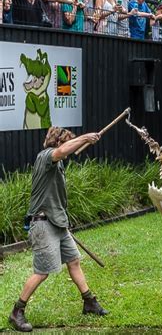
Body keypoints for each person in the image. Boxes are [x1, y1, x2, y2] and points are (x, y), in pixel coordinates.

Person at [8, 127, 108, 332]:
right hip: (43, 224)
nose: (70, 146)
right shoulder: (46, 157)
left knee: (74, 261)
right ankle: (17, 311)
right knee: (42, 272)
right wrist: (85, 137)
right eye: (68, 141)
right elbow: (61, 152)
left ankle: (89, 302)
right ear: (58, 142)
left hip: (58, 223)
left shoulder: (58, 164)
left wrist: (83, 141)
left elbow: (64, 153)